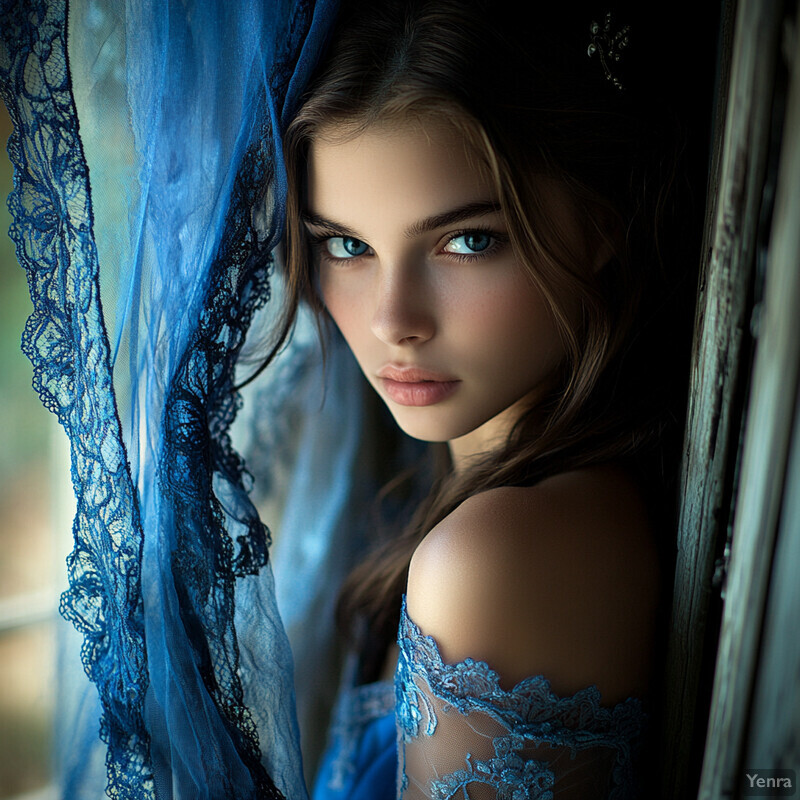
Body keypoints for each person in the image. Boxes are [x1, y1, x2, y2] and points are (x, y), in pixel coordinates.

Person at [256, 0, 714, 797]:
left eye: (468, 241)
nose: (393, 322)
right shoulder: (526, 495)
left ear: (605, 214)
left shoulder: (504, 553)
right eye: (346, 246)